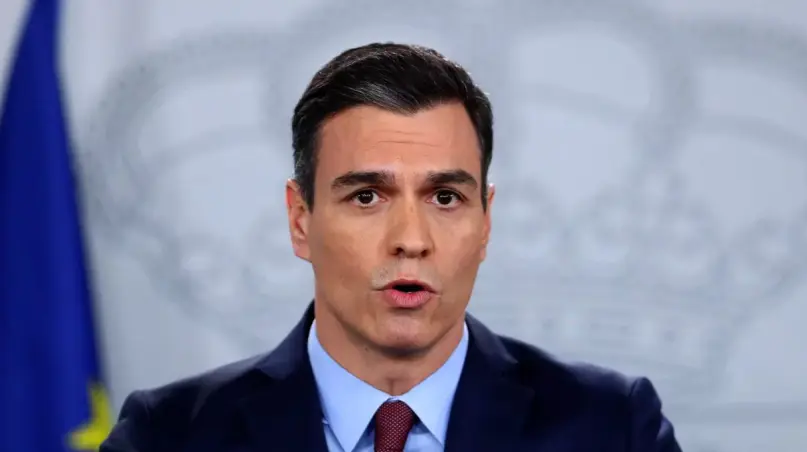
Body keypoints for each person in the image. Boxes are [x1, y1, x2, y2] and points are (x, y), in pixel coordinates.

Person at [100, 42, 683, 452]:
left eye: (446, 198)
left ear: (486, 222)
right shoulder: (166, 436)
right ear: (300, 220)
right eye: (367, 197)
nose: (410, 240)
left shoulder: (613, 428)